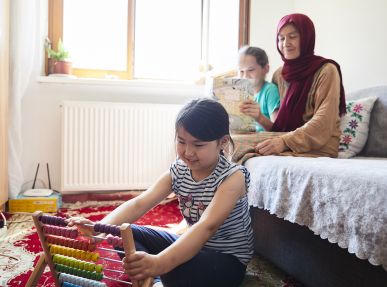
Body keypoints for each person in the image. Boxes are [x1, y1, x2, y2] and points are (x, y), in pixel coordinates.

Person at [69, 98, 254, 287]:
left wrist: (161, 263)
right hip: (189, 245)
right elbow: (140, 203)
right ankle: (156, 280)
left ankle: (159, 277)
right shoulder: (179, 170)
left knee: (173, 270)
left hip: (226, 261)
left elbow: (207, 226)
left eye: (198, 145)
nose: (188, 152)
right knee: (122, 233)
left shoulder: (233, 177)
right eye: (182, 142)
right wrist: (99, 228)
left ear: (222, 142)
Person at [232, 13, 346, 163]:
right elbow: (278, 125)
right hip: (284, 136)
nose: (285, 43)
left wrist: (284, 142)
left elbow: (324, 120)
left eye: (292, 36)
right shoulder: (280, 74)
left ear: (306, 38)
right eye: (281, 38)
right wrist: (260, 119)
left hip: (319, 144)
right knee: (229, 141)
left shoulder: (327, 70)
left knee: (236, 146)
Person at [238, 45, 280, 131]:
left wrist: (259, 117)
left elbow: (278, 129)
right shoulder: (241, 92)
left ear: (266, 69)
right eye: (241, 71)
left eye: (251, 70)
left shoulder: (270, 91)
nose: (245, 76)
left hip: (263, 141)